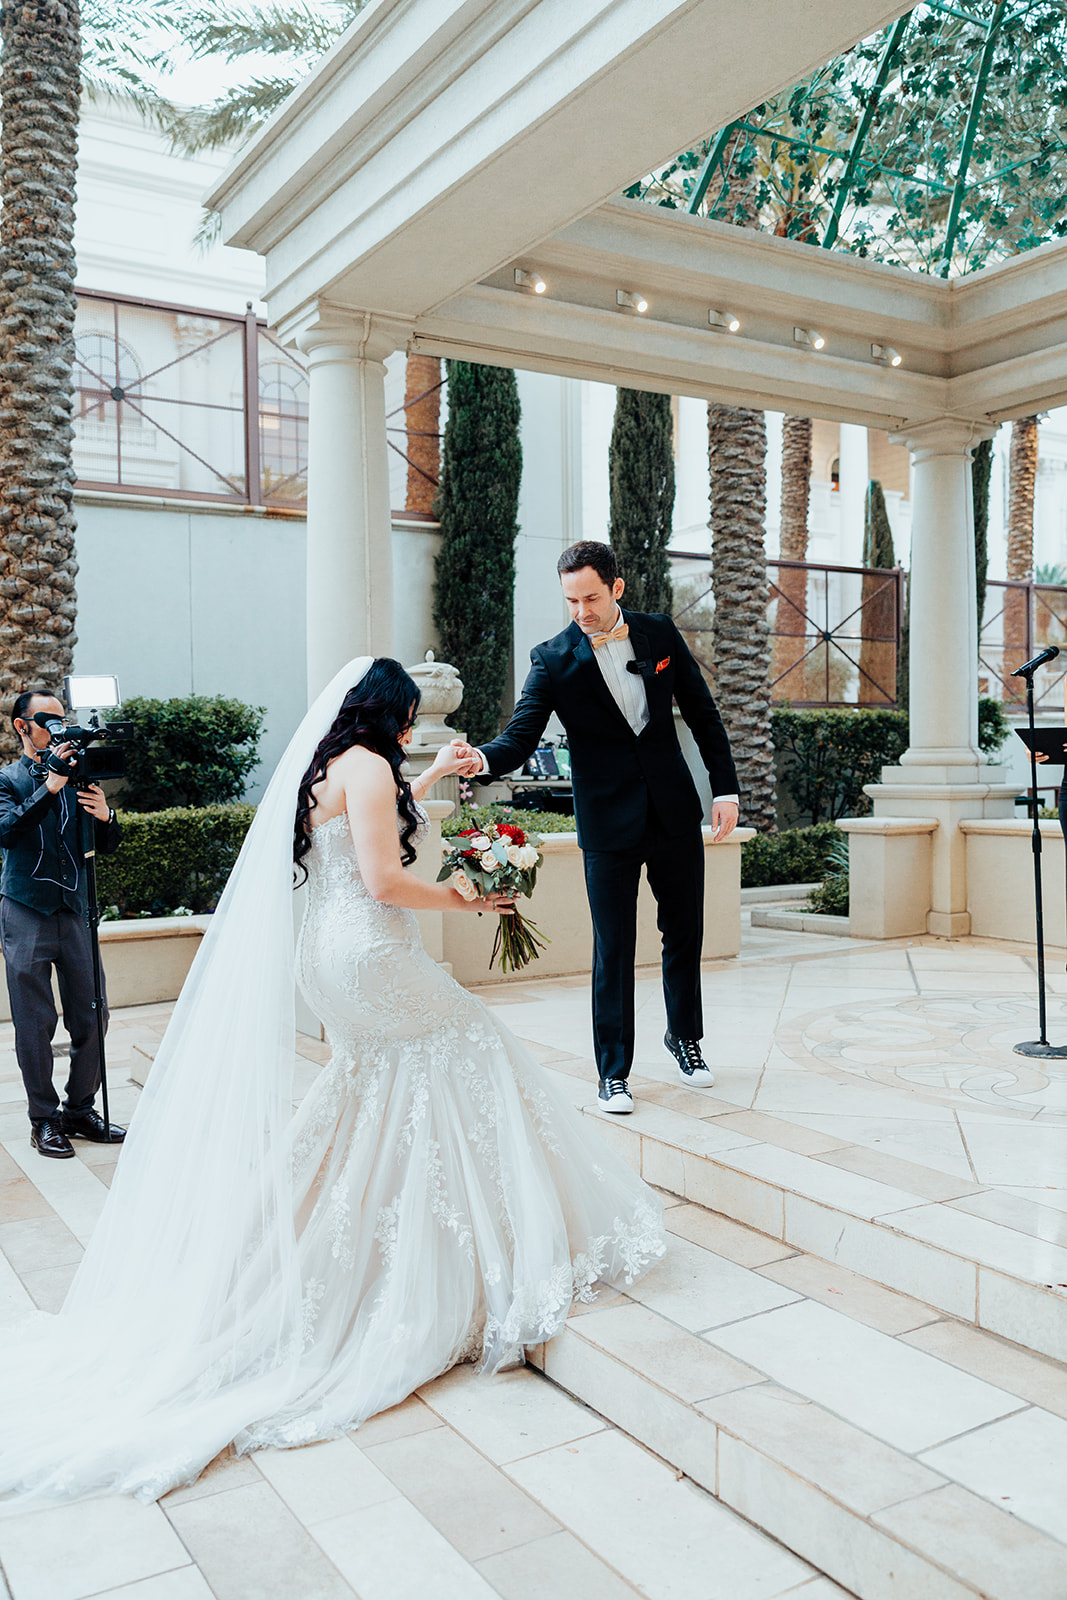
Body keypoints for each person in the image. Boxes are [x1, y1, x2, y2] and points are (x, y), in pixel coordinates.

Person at [0, 656, 664, 1510]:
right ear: (389, 712)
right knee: (468, 1041)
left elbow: (365, 824)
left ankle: (366, 1219)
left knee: (380, 1084)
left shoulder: (325, 767)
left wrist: (425, 777)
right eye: (407, 721)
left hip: (327, 963)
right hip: (373, 953)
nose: (406, 733)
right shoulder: (370, 765)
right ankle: (475, 1238)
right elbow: (387, 879)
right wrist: (473, 898)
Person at [453, 541, 739, 1115]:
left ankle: (686, 1040)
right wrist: (481, 758)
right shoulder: (553, 658)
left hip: (675, 810)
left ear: (617, 589)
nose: (580, 611)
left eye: (590, 597)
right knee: (614, 946)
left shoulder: (659, 634)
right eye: (570, 600)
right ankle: (614, 1071)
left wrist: (725, 788)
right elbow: (520, 736)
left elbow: (703, 714)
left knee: (684, 934)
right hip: (607, 824)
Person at [0, 689, 125, 1158]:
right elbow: (7, 831)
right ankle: (44, 1119)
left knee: (93, 1014)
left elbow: (105, 843)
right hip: (26, 910)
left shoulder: (79, 779)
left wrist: (107, 815)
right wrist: (48, 787)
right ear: (22, 726)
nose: (58, 728)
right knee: (35, 1023)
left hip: (75, 910)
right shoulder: (7, 780)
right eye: (46, 720)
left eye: (61, 719)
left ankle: (79, 1109)